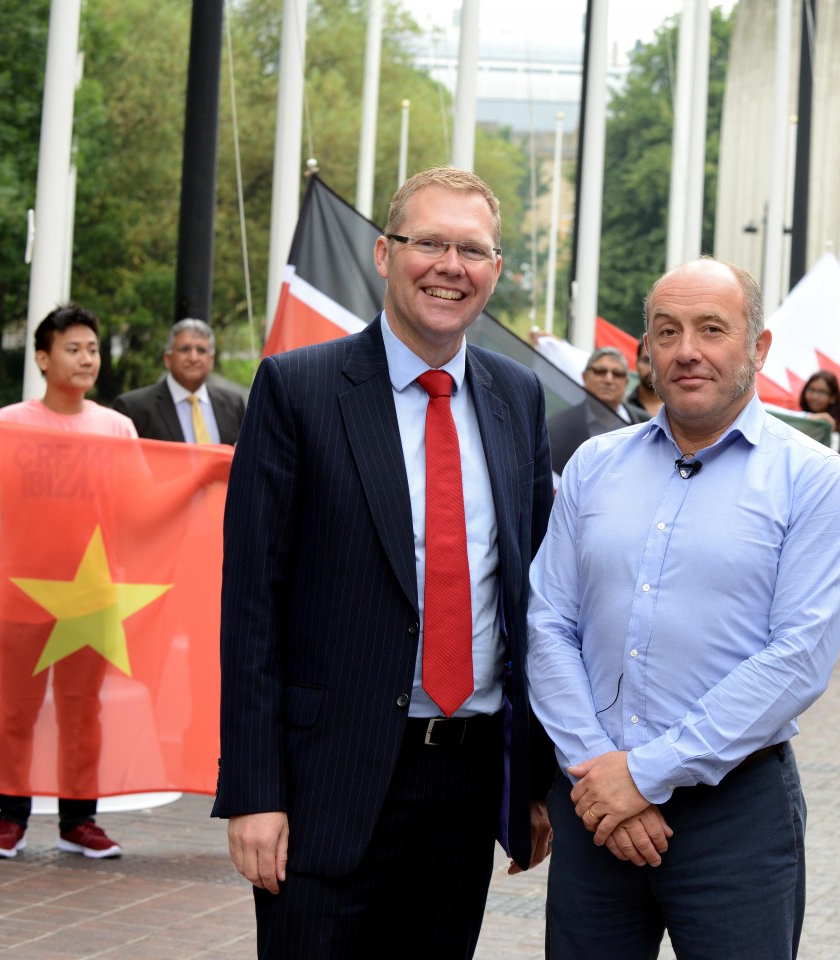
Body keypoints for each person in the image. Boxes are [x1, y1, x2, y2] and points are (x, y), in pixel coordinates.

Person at [214, 166, 555, 959]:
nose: (450, 265)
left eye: (473, 250)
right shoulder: (298, 390)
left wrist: (533, 785)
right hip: (324, 788)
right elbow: (251, 607)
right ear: (383, 253)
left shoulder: (518, 397)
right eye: (428, 241)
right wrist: (254, 794)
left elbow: (534, 601)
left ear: (495, 271)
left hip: (467, 786)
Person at [527, 257, 840, 959]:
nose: (688, 350)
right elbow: (547, 621)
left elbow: (797, 659)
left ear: (758, 346)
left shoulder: (816, 482)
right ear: (646, 351)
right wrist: (598, 767)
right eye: (667, 331)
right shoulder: (595, 466)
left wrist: (645, 774)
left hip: (733, 817)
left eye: (713, 329)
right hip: (595, 805)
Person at [0, 306, 137, 861]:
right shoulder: (8, 424)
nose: (86, 358)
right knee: (15, 710)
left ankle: (79, 821)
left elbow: (144, 502)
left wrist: (211, 472)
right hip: (21, 595)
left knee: (81, 712)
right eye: (73, 349)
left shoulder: (116, 428)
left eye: (92, 348)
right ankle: (8, 819)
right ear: (43, 359)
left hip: (92, 599)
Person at [114, 318, 246, 444]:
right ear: (167, 358)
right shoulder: (134, 408)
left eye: (201, 350)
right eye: (185, 349)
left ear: (211, 360)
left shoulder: (233, 405)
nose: (193, 358)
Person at [548, 346, 632, 472]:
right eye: (600, 371)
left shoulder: (645, 423)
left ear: (626, 382)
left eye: (617, 374)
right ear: (585, 377)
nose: (608, 380)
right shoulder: (556, 427)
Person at [799, 370, 840, 479]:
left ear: (833, 398)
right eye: (811, 390)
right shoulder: (797, 422)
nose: (814, 396)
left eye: (821, 392)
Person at [623, 340, 663, 423]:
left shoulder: (680, 406)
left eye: (657, 361)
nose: (651, 368)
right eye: (646, 360)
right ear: (636, 363)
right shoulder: (623, 406)